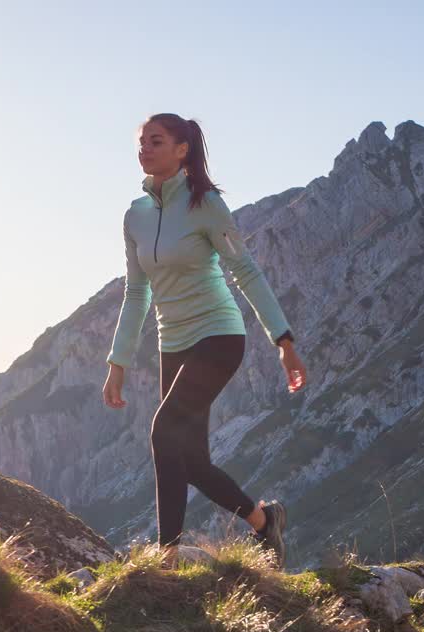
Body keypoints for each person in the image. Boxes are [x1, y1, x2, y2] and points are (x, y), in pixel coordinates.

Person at [101, 113, 307, 568]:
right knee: (190, 460)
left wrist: (283, 340)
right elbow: (137, 293)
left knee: (163, 431)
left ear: (181, 150)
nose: (144, 149)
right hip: (171, 343)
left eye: (155, 141)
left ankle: (167, 558)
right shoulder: (134, 216)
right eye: (141, 142)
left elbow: (246, 271)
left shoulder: (206, 205)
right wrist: (118, 362)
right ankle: (264, 521)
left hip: (218, 335)